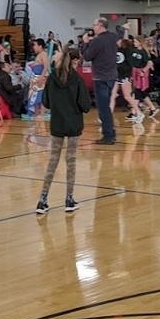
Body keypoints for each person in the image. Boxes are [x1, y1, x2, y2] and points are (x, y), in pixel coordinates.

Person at [36, 48, 92, 214]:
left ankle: (43, 200)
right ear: (75, 61)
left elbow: (45, 102)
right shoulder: (77, 79)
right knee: (71, 162)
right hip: (73, 124)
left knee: (53, 161)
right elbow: (86, 106)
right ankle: (69, 199)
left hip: (57, 124)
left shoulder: (52, 78)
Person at [85, 17, 120, 145]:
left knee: (103, 108)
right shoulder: (112, 37)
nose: (93, 27)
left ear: (99, 25)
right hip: (112, 76)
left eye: (94, 25)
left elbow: (88, 56)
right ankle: (111, 132)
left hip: (100, 78)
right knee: (106, 107)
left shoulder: (97, 41)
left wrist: (85, 43)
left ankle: (108, 135)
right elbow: (119, 33)